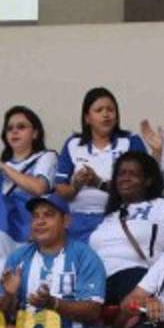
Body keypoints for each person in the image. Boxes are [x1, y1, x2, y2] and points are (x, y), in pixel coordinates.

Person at [0, 195, 106, 328]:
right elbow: (0, 313)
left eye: (48, 215)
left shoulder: (85, 256)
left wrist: (53, 303)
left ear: (66, 221)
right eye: (36, 216)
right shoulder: (17, 258)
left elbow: (93, 310)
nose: (40, 221)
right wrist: (9, 295)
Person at [87, 151, 164, 304]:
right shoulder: (112, 215)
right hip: (99, 280)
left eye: (133, 174)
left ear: (148, 180)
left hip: (138, 277)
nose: (125, 178)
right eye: (121, 174)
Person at [54, 87, 148, 242]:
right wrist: (76, 185)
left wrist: (99, 183)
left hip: (118, 218)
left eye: (111, 110)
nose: (106, 114)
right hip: (78, 220)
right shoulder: (73, 144)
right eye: (99, 110)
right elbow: (60, 189)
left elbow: (140, 188)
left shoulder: (130, 141)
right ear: (87, 118)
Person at [0, 105, 58, 255]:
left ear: (35, 133)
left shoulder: (46, 157)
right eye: (9, 128)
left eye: (21, 127)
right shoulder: (3, 166)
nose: (14, 131)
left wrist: (0, 165)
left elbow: (39, 188)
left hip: (30, 231)